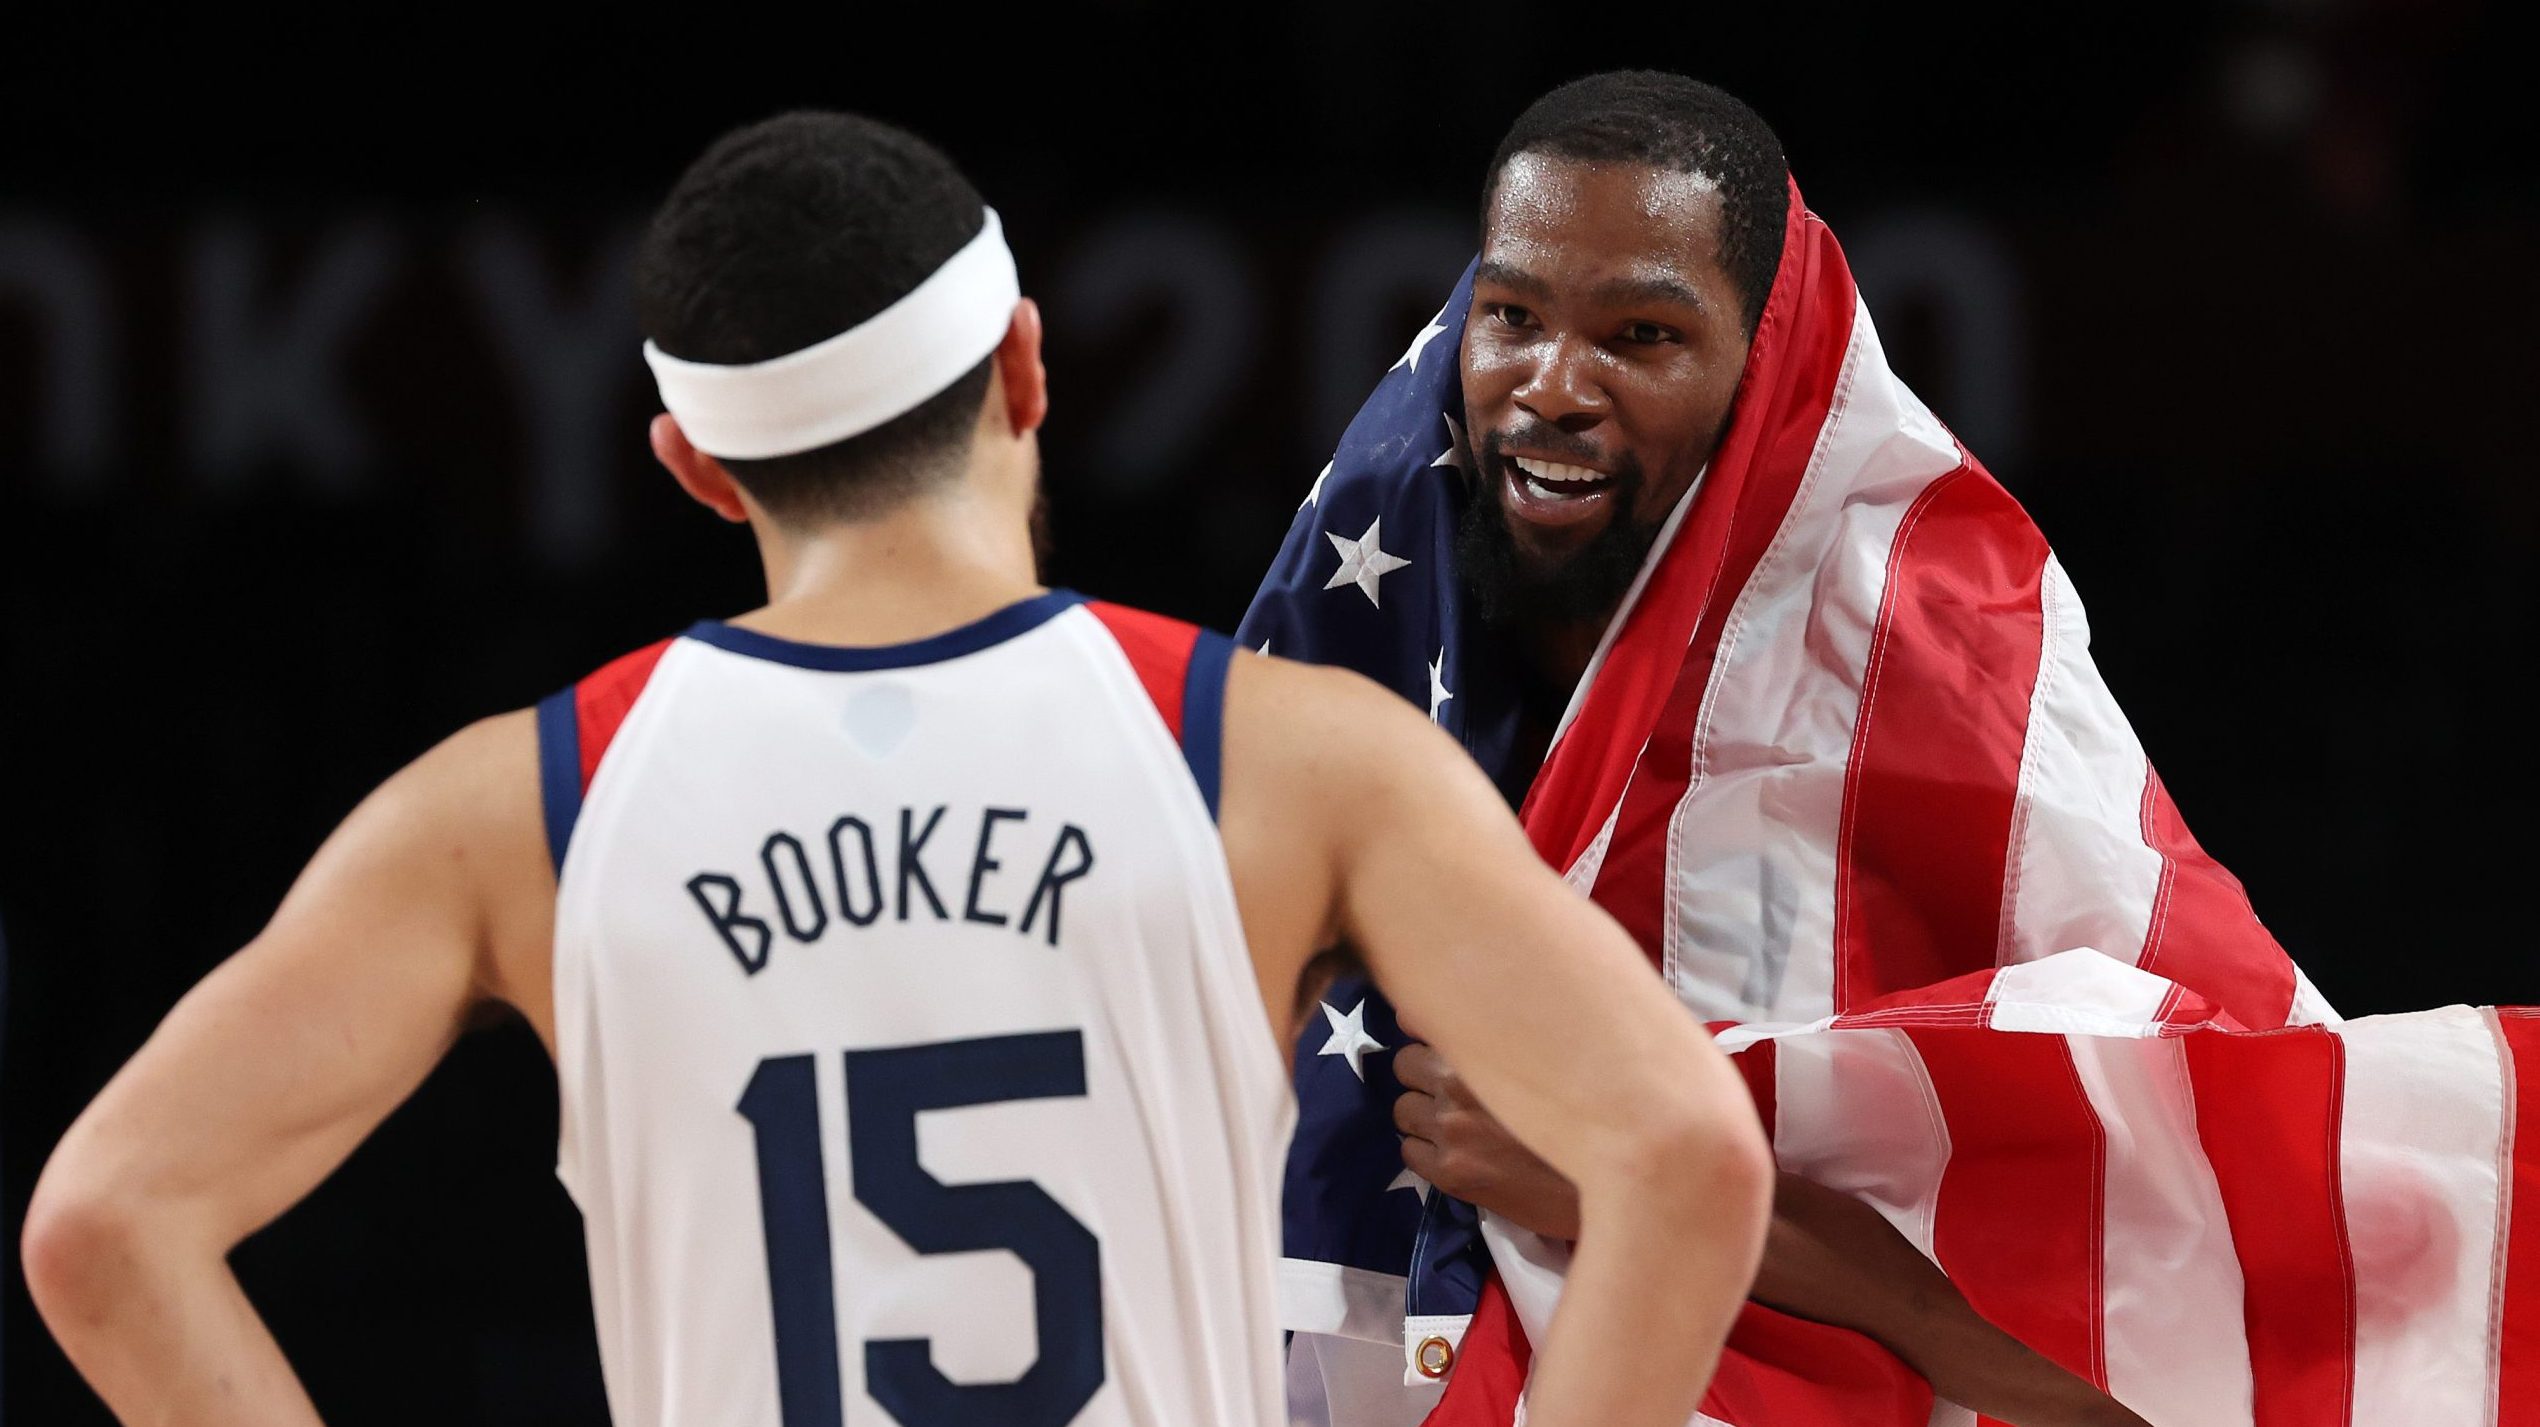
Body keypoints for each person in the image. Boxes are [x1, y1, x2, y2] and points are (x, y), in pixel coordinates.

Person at [19, 112, 1772, 1427]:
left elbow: (103, 1226)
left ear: (695, 468)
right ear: (1024, 367)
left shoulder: (509, 811)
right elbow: (1687, 1159)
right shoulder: (1291, 758)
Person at [1242, 72, 2323, 1426]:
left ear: (1762, 367)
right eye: (1511, 316)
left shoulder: (1932, 680)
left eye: (1639, 334)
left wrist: (1632, 1194)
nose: (1552, 386)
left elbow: (2205, 1358)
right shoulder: (1375, 669)